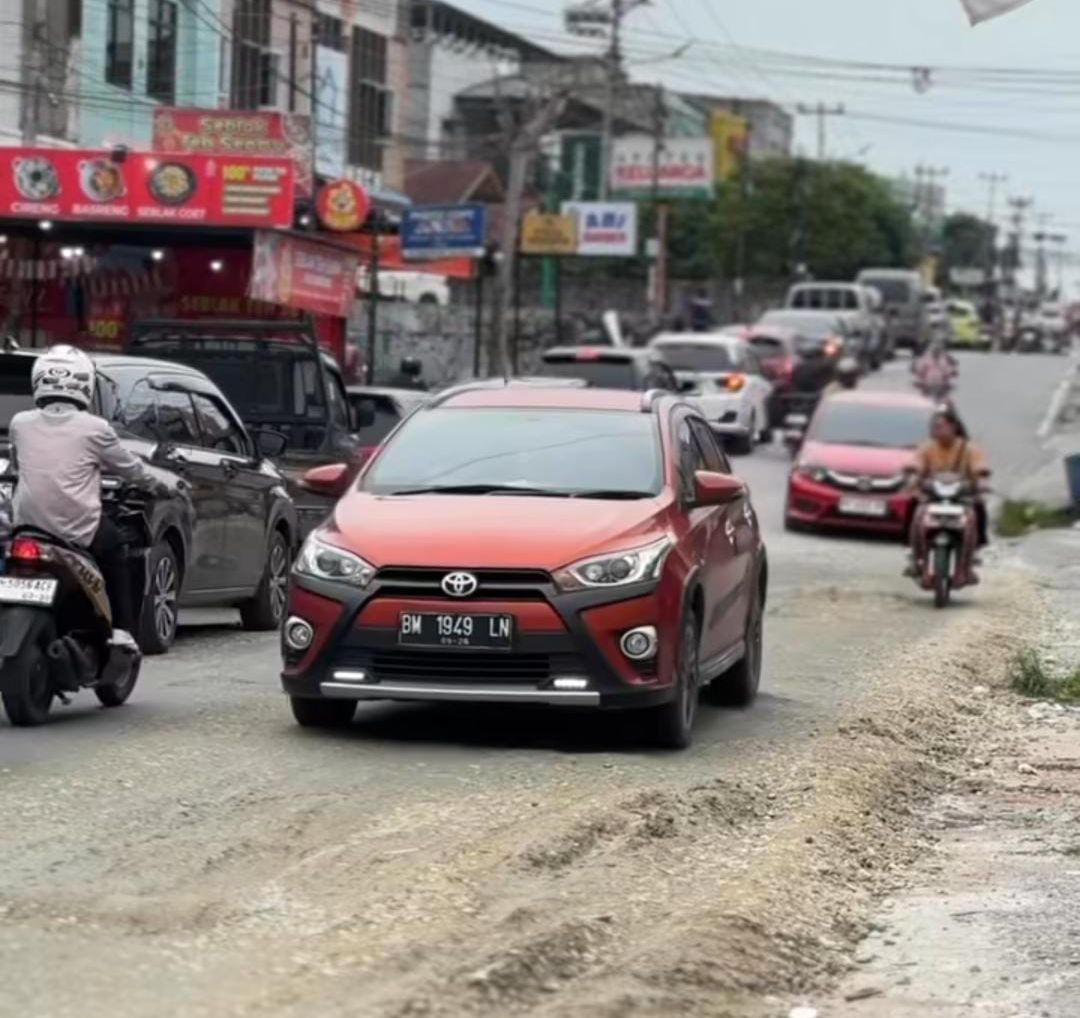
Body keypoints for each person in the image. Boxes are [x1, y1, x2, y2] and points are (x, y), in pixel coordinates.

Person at [8, 345, 180, 642]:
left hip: (27, 528)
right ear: (85, 383)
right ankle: (122, 631)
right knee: (116, 551)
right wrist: (164, 484)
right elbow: (133, 471)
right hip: (77, 530)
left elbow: (15, 465)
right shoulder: (95, 428)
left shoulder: (20, 423)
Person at [906, 407, 991, 584]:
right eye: (934, 427)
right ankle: (915, 556)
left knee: (978, 511)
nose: (936, 430)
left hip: (962, 496)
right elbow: (916, 464)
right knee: (914, 510)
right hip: (932, 495)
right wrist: (913, 477)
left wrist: (982, 482)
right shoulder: (927, 447)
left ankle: (973, 554)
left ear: (953, 427)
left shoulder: (969, 449)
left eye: (940, 426)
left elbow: (979, 468)